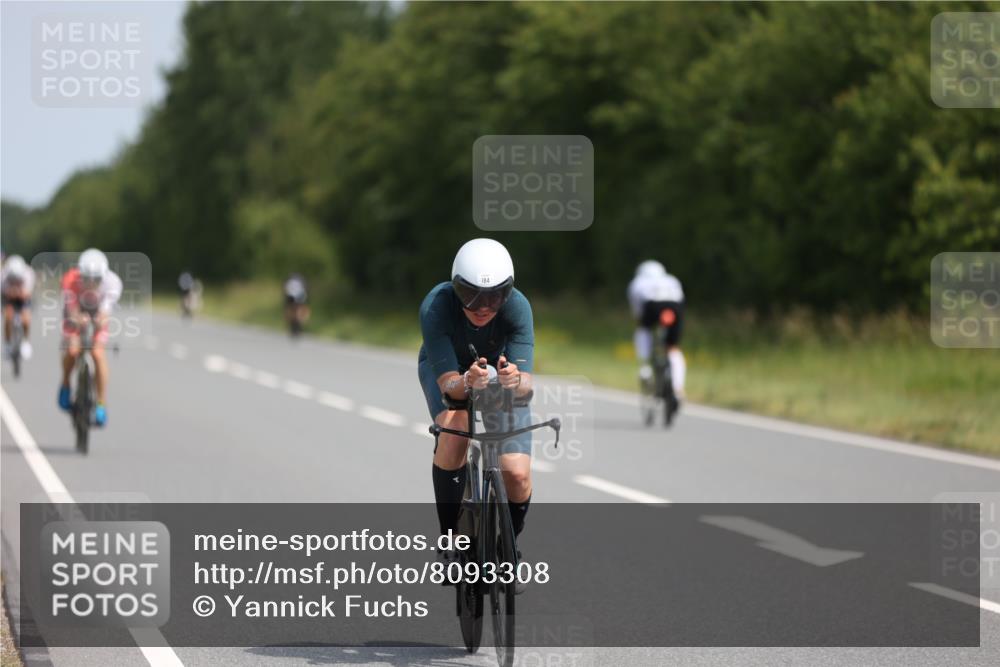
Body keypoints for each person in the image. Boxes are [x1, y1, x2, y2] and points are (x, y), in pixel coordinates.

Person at [418, 239, 535, 586]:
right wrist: (467, 381)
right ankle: (450, 539)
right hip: (451, 373)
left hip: (498, 379)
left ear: (508, 292)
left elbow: (527, 385)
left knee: (517, 474)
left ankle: (507, 547)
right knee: (456, 430)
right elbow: (448, 385)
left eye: (495, 296)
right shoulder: (436, 306)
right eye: (471, 295)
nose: (484, 307)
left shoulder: (518, 308)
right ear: (456, 289)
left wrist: (516, 379)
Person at [58, 249, 122, 427]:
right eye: (87, 279)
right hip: (76, 309)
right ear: (80, 275)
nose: (92, 284)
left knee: (97, 354)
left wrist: (98, 321)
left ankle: (101, 403)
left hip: (97, 312)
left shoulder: (112, 282)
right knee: (72, 350)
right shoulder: (70, 280)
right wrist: (77, 319)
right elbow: (70, 311)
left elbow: (104, 314)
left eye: (97, 280)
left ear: (104, 276)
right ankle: (65, 384)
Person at [627, 260, 686, 406]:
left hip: (652, 306)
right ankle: (678, 388)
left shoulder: (637, 282)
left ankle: (645, 366)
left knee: (643, 330)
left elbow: (637, 312)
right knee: (673, 348)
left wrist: (642, 323)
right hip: (675, 307)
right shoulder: (672, 279)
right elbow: (681, 299)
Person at [1, 255, 36, 360]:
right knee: (8, 317)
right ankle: (7, 344)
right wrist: (12, 293)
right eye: (13, 279)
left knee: (26, 319)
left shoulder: (29, 273)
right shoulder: (3, 275)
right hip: (8, 299)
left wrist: (17, 293)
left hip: (23, 299)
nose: (15, 281)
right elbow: (4, 293)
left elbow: (27, 294)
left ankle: (25, 341)